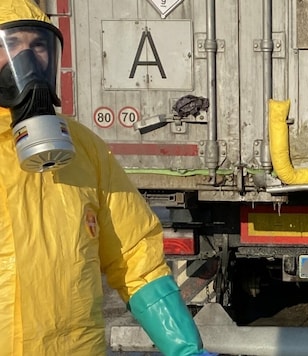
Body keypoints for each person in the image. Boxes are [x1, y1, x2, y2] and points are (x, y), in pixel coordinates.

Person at [0, 1, 216, 355]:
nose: (26, 60)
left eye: (37, 45)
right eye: (8, 45)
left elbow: (134, 255)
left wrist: (184, 348)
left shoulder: (83, 149)